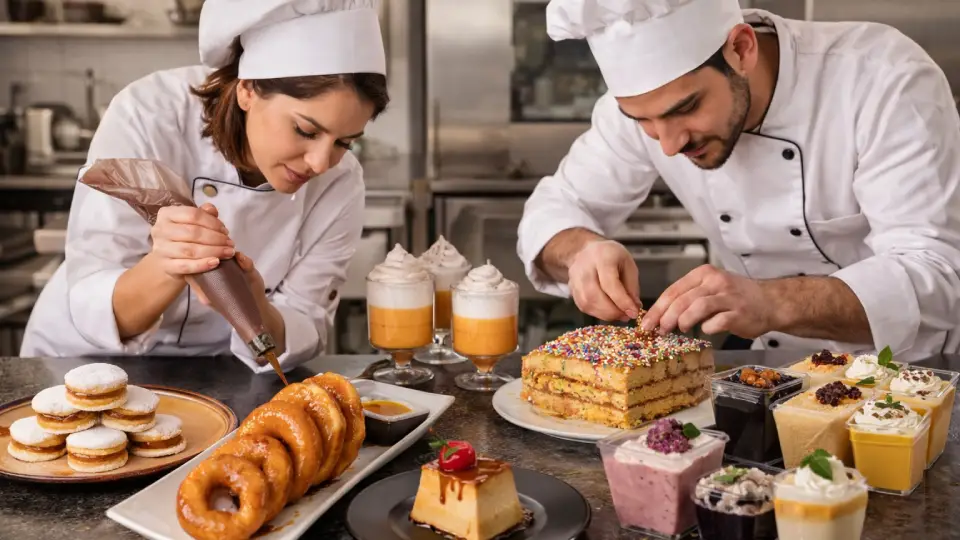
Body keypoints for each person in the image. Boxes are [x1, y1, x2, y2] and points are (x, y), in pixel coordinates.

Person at [517, 0, 960, 361]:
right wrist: (582, 252)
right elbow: (557, 205)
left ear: (741, 49)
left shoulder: (881, 78)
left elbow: (937, 276)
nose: (667, 145)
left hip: (907, 371)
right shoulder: (639, 112)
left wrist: (769, 302)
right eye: (644, 122)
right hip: (766, 366)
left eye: (685, 108)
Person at [20, 0, 390, 372]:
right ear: (247, 89)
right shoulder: (147, 116)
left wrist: (253, 304)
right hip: (79, 363)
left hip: (224, 372)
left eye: (345, 142)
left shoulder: (340, 183)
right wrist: (168, 266)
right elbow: (94, 300)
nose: (321, 162)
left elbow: (303, 324)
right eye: (305, 130)